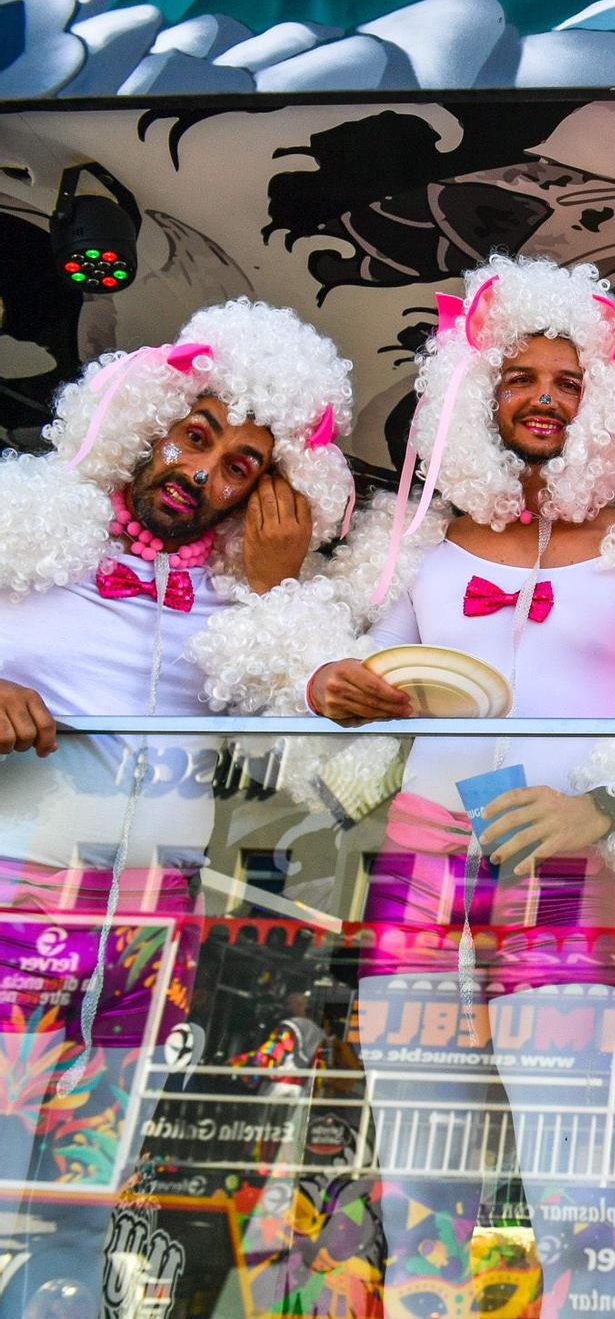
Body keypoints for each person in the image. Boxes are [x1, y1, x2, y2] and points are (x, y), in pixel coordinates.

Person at [210, 254, 615, 1316]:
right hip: (415, 871)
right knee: (419, 1186)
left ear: (607, 406)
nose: (542, 395)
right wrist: (334, 683)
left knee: (572, 1192)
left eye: (568, 379)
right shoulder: (410, 542)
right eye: (517, 375)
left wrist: (602, 809)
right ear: (472, 390)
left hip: (559, 878)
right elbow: (351, 688)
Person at [0, 299, 354, 1319]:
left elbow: (323, 756)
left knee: (76, 1194)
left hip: (147, 936)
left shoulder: (239, 603)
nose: (202, 473)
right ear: (147, 417)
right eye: (197, 436)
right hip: (16, 907)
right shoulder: (25, 522)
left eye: (241, 463)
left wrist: (279, 592)